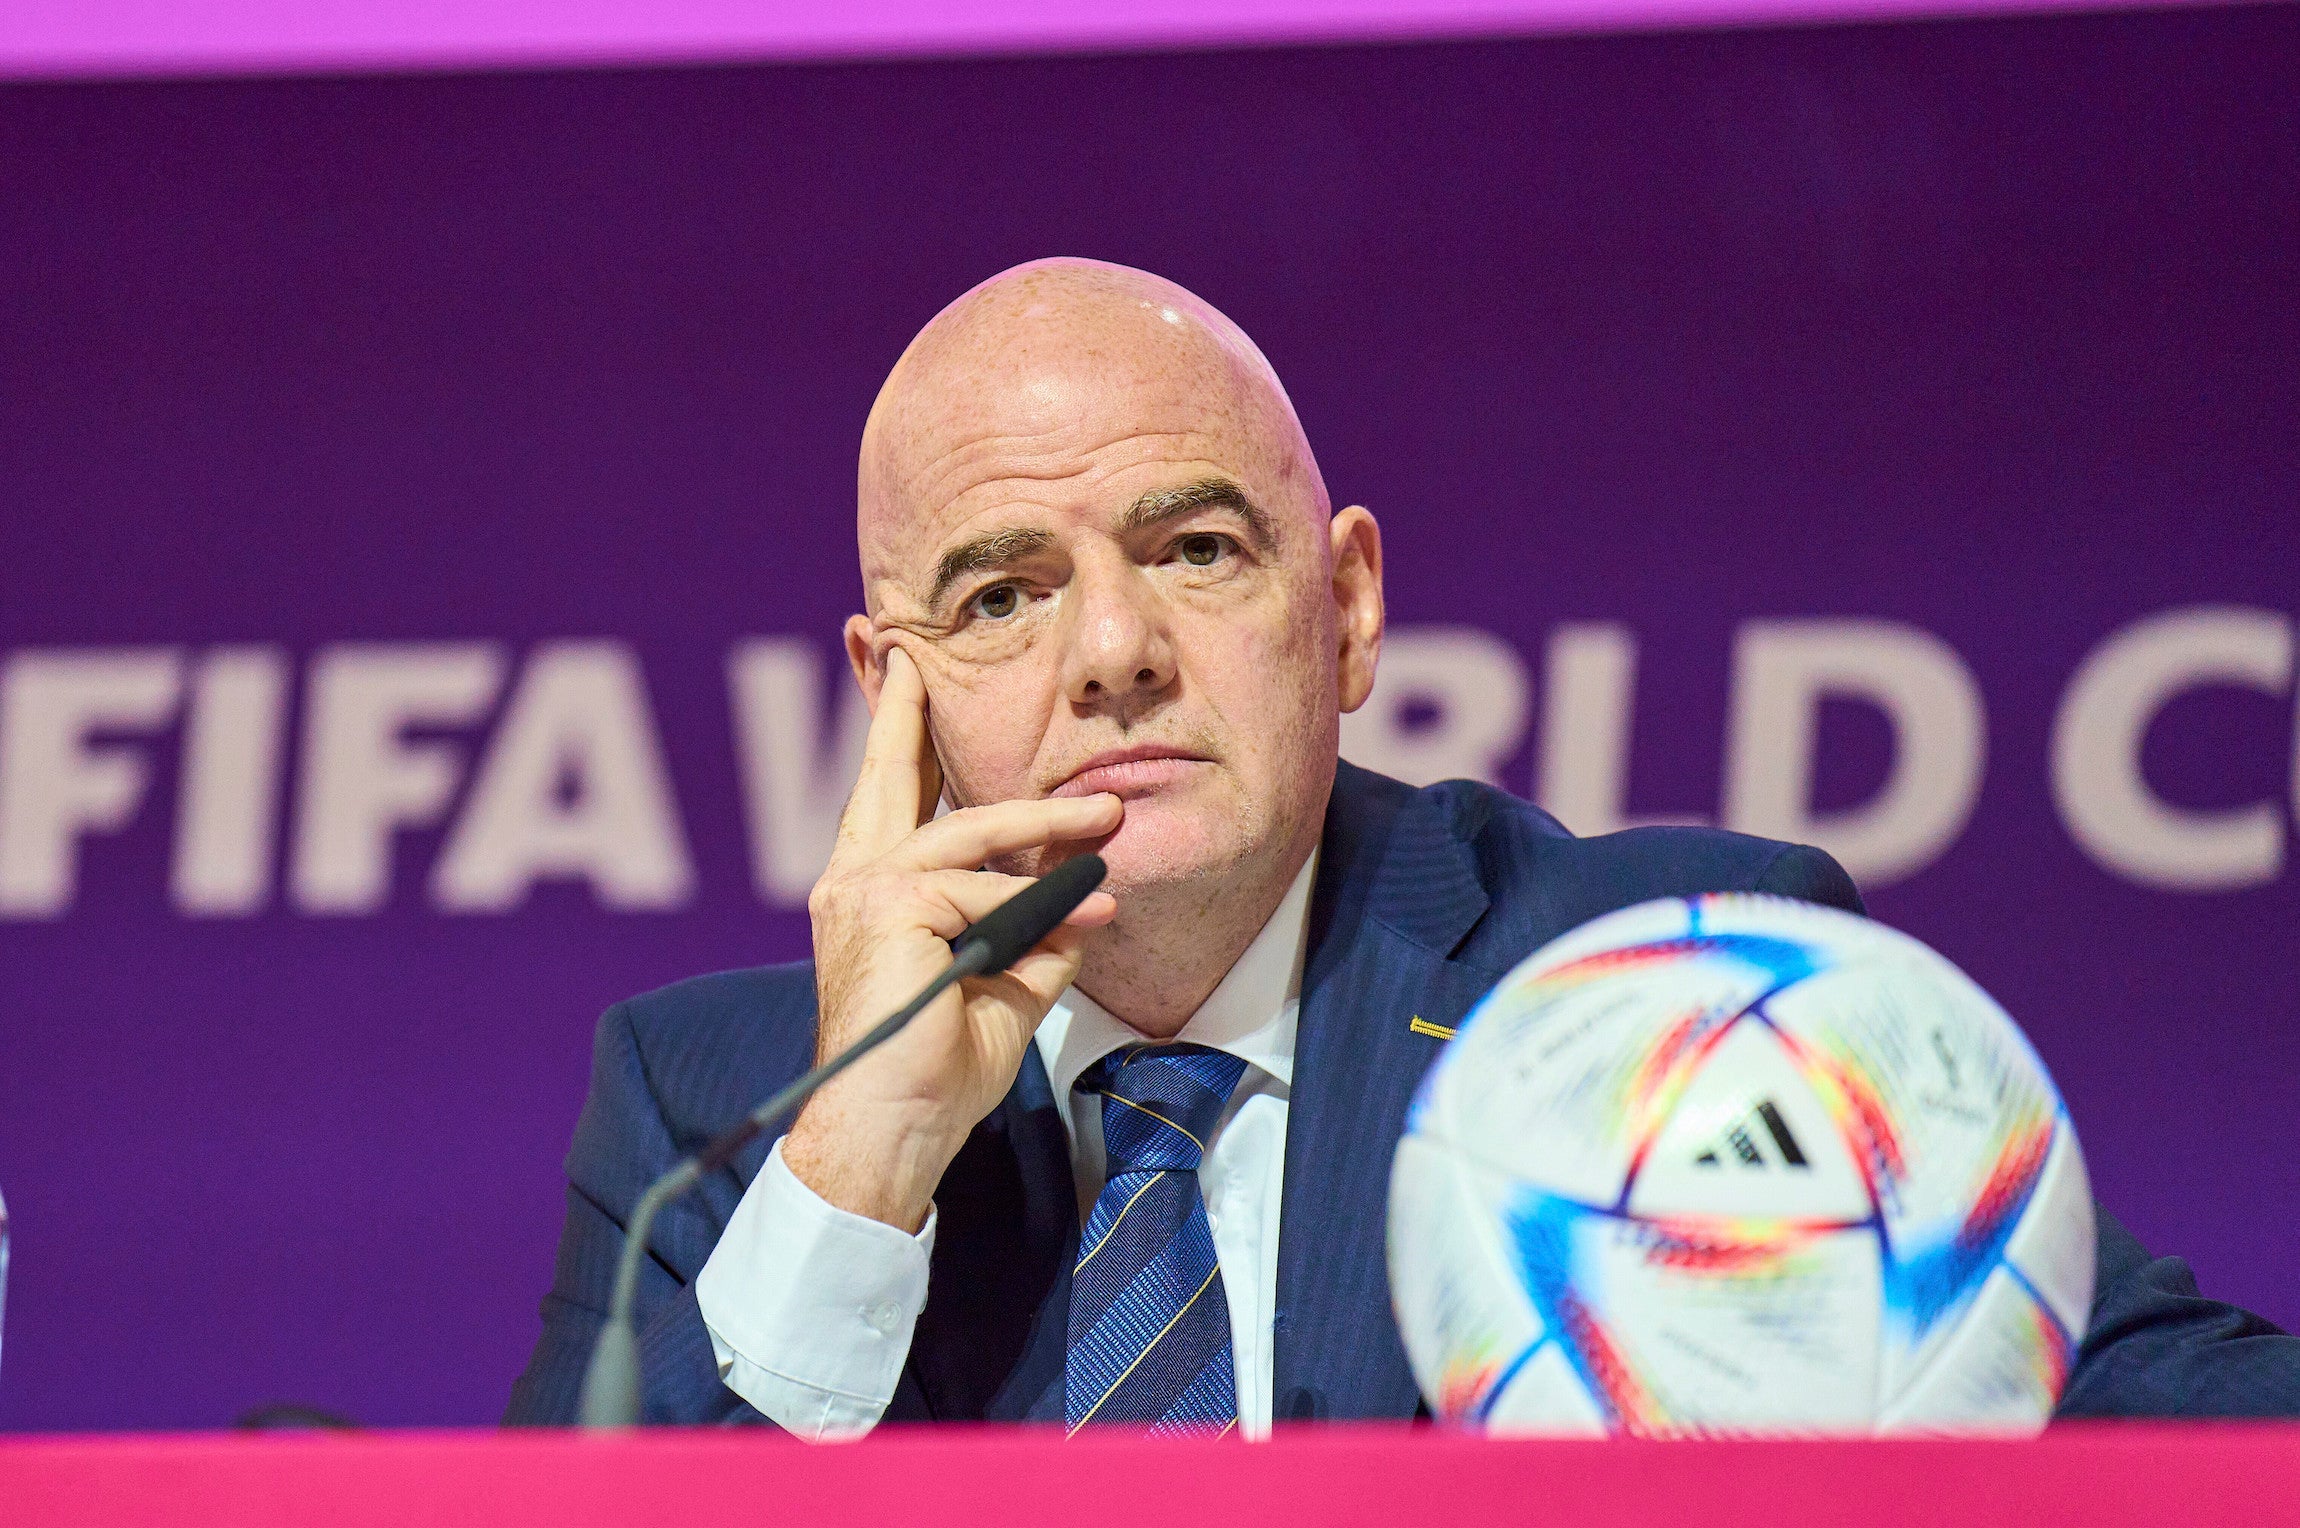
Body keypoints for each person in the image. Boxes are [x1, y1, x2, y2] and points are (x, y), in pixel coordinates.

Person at [506, 259, 2298, 1433]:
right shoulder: (711, 1105)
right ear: (892, 691)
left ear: (1347, 607)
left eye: (1196, 549)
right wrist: (866, 1162)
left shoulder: (1655, 982)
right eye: (1001, 593)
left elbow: (2145, 1413)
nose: (1114, 649)